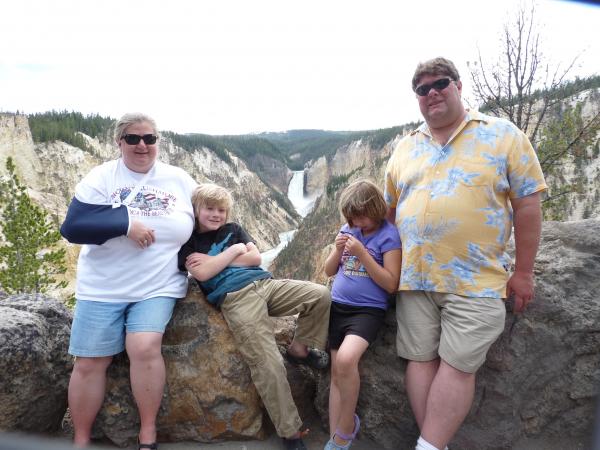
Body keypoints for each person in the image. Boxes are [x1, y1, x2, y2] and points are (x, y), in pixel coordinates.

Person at [384, 57, 547, 450]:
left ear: (458, 86)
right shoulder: (406, 148)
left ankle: (427, 446)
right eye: (422, 89)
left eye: (440, 83)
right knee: (419, 360)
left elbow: (528, 205)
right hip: (415, 278)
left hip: (475, 279)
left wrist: (523, 272)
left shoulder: (502, 135)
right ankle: (432, 444)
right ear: (417, 98)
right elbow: (388, 213)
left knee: (458, 365)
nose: (432, 92)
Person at [60, 112, 197, 449]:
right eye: (133, 138)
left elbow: (211, 219)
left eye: (149, 138)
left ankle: (147, 432)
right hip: (102, 287)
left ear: (158, 142)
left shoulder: (179, 180)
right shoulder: (101, 177)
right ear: (119, 142)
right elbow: (74, 227)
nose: (142, 145)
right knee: (91, 361)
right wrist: (124, 223)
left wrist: (239, 247)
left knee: (144, 346)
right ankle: (81, 439)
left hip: (157, 286)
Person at [177, 183, 331, 450]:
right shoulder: (188, 240)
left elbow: (256, 259)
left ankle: (299, 349)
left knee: (319, 294)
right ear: (196, 210)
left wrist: (220, 259)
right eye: (210, 209)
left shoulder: (234, 229)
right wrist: (236, 251)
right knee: (267, 361)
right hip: (236, 298)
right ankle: (290, 433)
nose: (217, 214)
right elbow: (201, 274)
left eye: (222, 210)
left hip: (265, 284)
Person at [323, 179, 402, 450]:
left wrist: (362, 254)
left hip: (367, 310)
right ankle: (335, 439)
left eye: (361, 215)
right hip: (339, 306)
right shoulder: (349, 229)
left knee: (346, 359)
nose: (356, 221)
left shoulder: (388, 235)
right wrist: (337, 250)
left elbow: (390, 282)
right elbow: (329, 271)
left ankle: (346, 428)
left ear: (376, 208)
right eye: (351, 217)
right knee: (336, 373)